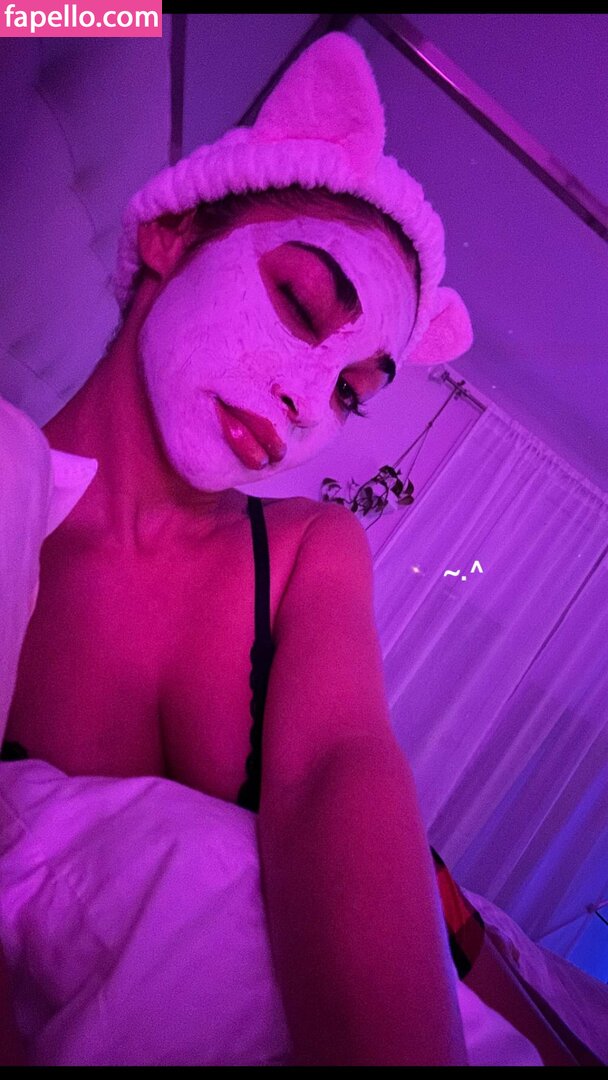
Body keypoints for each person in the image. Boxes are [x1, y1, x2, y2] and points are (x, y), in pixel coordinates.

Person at [3, 32, 482, 1066]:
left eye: (351, 394)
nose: (309, 405)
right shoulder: (7, 500)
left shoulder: (310, 548)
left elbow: (335, 766)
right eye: (301, 305)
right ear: (170, 232)